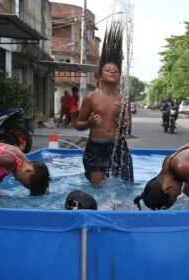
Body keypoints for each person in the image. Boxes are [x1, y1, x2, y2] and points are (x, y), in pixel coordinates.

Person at [75, 22, 134, 186]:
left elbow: (128, 130)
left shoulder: (124, 101)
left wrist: (119, 117)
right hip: (96, 147)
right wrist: (90, 123)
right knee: (98, 189)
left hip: (119, 146)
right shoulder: (91, 98)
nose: (113, 71)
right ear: (100, 76)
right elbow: (78, 124)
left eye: (116, 71)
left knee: (126, 187)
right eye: (108, 70)